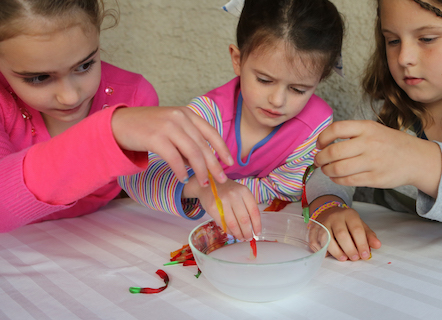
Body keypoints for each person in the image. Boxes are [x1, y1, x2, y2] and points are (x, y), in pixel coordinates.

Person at [0, 0, 233, 232]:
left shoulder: (133, 97)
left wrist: (198, 187)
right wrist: (108, 134)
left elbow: (142, 180)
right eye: (39, 78)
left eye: (84, 66)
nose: (70, 97)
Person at [119, 0, 344, 241]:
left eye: (299, 89)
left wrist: (221, 185)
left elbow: (287, 190)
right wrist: (205, 187)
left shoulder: (316, 127)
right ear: (237, 60)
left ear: (319, 79)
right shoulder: (206, 115)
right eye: (264, 80)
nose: (277, 100)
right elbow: (134, 173)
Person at [306, 0, 442, 262]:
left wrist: (419, 160)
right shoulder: (381, 106)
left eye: (427, 38)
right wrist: (329, 207)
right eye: (393, 40)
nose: (404, 58)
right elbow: (331, 170)